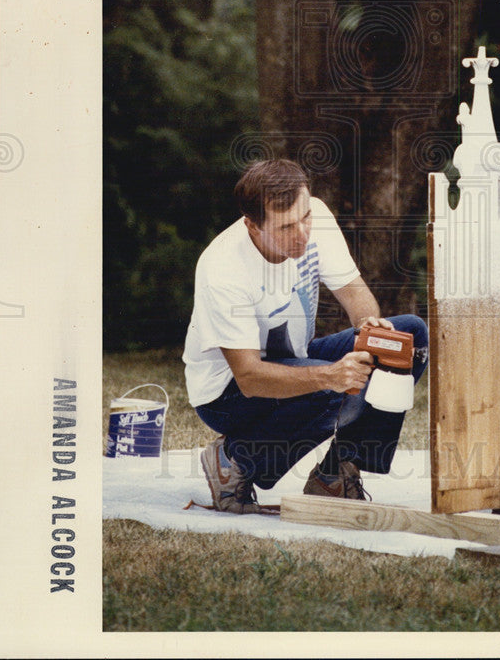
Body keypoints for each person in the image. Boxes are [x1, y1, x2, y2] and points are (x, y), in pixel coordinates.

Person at [182, 158, 428, 513]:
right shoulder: (223, 268)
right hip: (227, 395)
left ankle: (334, 475)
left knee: (409, 339)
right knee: (334, 389)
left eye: (305, 217)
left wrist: (370, 328)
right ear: (252, 226)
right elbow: (249, 377)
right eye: (285, 228)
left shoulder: (315, 216)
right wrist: (330, 375)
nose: (302, 234)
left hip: (293, 356)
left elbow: (354, 291)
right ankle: (233, 460)